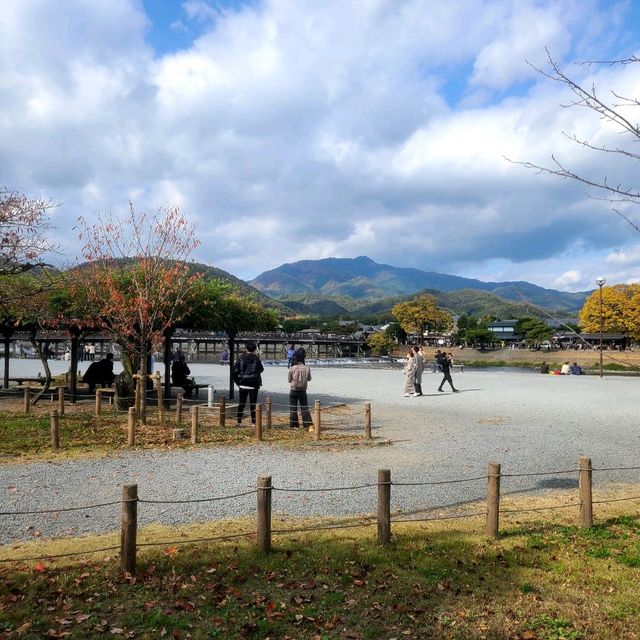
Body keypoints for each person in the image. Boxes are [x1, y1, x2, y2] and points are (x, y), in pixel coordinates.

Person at [233, 342, 264, 425]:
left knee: (241, 403)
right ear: (254, 350)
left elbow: (234, 372)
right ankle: (254, 423)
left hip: (242, 384)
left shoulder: (241, 358)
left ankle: (239, 422)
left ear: (246, 349)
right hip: (253, 385)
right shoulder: (257, 359)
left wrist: (238, 382)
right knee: (253, 404)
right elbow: (261, 370)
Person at [288, 355, 313, 429]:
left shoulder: (292, 368)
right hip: (303, 390)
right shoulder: (307, 368)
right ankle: (307, 425)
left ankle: (294, 425)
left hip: (293, 390)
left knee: (293, 408)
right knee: (304, 407)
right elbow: (309, 379)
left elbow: (289, 380)